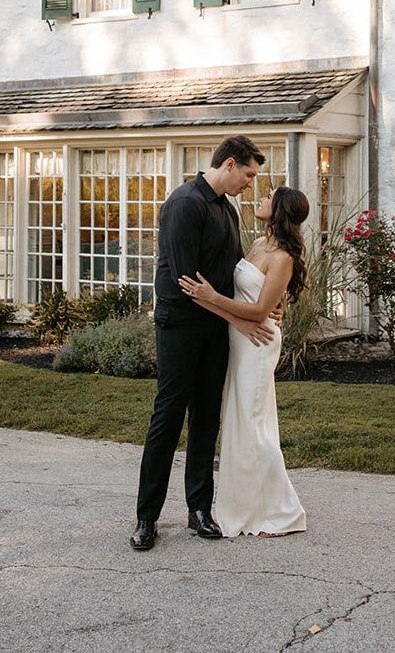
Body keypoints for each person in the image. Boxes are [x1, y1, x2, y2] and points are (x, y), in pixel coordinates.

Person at [131, 134, 278, 551]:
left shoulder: (226, 209)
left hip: (216, 329)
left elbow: (233, 271)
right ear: (229, 164)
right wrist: (241, 320)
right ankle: (147, 518)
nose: (251, 183)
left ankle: (199, 511)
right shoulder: (184, 203)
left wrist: (266, 306)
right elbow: (187, 284)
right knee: (168, 417)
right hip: (180, 326)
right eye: (248, 174)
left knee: (206, 417)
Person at [179, 185, 309, 538]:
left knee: (253, 424)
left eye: (270, 196)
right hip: (238, 339)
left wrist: (211, 297)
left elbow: (260, 310)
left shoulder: (282, 256)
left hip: (258, 342)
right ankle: (246, 508)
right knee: (240, 423)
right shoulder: (258, 243)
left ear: (279, 209)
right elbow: (251, 293)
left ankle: (281, 512)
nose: (263, 197)